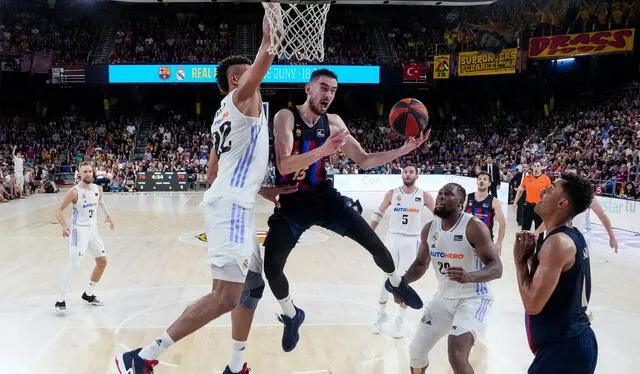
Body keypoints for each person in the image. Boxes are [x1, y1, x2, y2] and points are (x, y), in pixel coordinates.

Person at [116, 10, 278, 374]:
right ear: (236, 78)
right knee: (226, 296)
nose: (258, 82)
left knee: (250, 286)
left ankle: (236, 366)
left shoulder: (221, 113)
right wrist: (270, 36)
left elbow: (212, 171)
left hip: (231, 201)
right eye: (250, 75)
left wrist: (259, 188)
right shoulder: (241, 98)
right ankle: (141, 358)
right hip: (233, 206)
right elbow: (265, 55)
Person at [264, 68, 429, 353]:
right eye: (324, 87)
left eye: (333, 90)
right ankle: (292, 315)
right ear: (309, 89)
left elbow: (364, 160)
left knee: (375, 245)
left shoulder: (335, 122)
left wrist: (403, 150)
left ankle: (395, 283)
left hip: (324, 198)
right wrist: (324, 149)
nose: (328, 94)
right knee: (272, 268)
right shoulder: (286, 116)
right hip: (291, 203)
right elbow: (284, 165)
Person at [400, 183, 502, 374]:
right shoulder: (429, 229)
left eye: (448, 194)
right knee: (416, 351)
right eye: (439, 193)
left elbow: (497, 268)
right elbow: (421, 264)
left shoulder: (474, 227)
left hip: (473, 299)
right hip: (443, 298)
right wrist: (403, 283)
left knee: (456, 354)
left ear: (461, 203)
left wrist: (469, 276)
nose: (440, 197)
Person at [514, 173, 598, 374]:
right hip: (574, 342)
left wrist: (520, 262)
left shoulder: (558, 243)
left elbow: (532, 305)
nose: (543, 190)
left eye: (551, 189)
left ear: (562, 203)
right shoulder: (572, 236)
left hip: (564, 347)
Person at [370, 164, 435, 338]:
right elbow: (379, 212)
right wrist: (369, 232)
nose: (408, 174)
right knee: (386, 278)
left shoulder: (424, 195)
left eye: (411, 172)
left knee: (405, 281)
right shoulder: (392, 193)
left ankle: (399, 320)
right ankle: (381, 315)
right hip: (392, 239)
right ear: (402, 175)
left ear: (417, 175)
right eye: (405, 172)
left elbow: (439, 217)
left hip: (411, 240)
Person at [54, 162, 114, 315]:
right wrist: (64, 226)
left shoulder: (97, 189)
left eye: (90, 171)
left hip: (93, 230)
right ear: (79, 174)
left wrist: (108, 216)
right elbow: (59, 211)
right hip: (78, 231)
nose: (88, 174)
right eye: (85, 172)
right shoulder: (74, 192)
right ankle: (60, 300)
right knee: (74, 264)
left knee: (102, 261)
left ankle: (88, 293)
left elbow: (101, 203)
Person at [464, 171, 507, 255]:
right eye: (479, 179)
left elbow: (502, 225)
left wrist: (499, 243)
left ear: (489, 183)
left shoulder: (494, 201)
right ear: (476, 182)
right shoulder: (467, 198)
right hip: (467, 240)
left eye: (485, 179)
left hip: (486, 241)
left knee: (485, 267)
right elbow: (458, 219)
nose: (481, 181)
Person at [513, 161, 552, 231]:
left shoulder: (546, 179)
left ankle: (539, 242)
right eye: (535, 166)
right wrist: (515, 202)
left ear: (541, 167)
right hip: (528, 206)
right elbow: (520, 191)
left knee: (539, 229)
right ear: (532, 167)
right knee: (525, 228)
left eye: (538, 166)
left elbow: (550, 193)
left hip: (539, 207)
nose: (536, 168)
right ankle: (525, 242)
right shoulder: (527, 178)